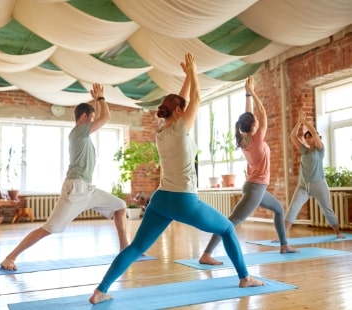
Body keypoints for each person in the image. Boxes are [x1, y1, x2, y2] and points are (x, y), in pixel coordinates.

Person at [89, 53, 264, 305]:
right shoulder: (182, 128)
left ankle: (100, 290)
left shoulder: (160, 131)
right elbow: (197, 99)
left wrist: (185, 78)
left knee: (136, 247)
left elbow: (181, 102)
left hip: (161, 200)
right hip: (184, 201)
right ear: (179, 111)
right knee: (226, 228)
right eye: (182, 107)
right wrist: (193, 72)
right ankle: (245, 277)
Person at [0, 83, 129, 271]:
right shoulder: (78, 132)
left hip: (88, 189)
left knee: (120, 206)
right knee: (48, 229)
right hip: (75, 189)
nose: (95, 123)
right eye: (92, 118)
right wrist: (101, 98)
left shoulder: (84, 137)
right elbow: (106, 117)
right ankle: (10, 257)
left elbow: (102, 117)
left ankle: (125, 248)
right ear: (84, 117)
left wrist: (96, 102)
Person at [199, 76, 298, 266]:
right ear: (253, 126)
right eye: (255, 122)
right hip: (255, 188)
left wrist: (247, 94)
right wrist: (252, 91)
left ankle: (284, 245)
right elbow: (260, 112)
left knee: (278, 209)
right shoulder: (258, 139)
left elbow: (249, 114)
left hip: (255, 187)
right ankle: (206, 253)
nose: (257, 122)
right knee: (231, 222)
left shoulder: (243, 138)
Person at [276, 111, 344, 239]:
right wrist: (299, 122)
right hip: (303, 185)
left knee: (327, 210)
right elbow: (292, 136)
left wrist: (306, 122)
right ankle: (282, 236)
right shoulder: (304, 150)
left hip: (318, 184)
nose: (307, 138)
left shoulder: (320, 150)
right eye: (306, 137)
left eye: (310, 136)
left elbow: (313, 132)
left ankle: (337, 232)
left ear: (316, 137)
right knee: (293, 208)